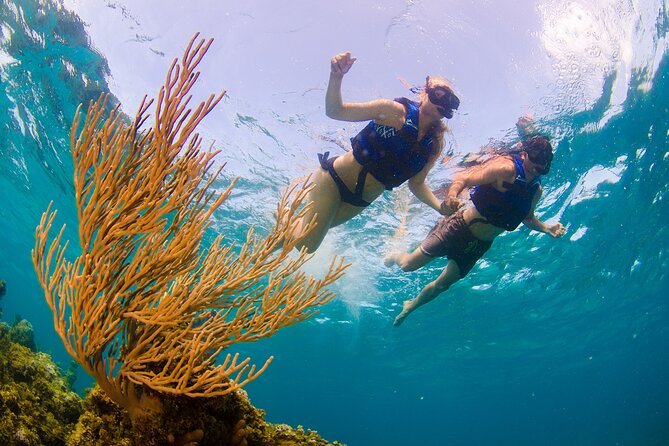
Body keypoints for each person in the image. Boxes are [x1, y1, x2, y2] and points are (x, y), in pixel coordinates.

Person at [385, 134, 567, 326]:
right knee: (408, 265)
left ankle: (411, 306)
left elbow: (528, 218)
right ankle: (394, 255)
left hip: (479, 246)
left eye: (542, 166)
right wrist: (453, 195)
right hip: (458, 228)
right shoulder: (504, 169)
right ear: (524, 155)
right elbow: (464, 177)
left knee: (443, 285)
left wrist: (546, 227)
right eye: (534, 162)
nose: (537, 169)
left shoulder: (535, 190)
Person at [289, 51, 460, 253]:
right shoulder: (393, 111)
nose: (443, 102)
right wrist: (337, 76)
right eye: (439, 94)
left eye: (450, 100)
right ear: (424, 93)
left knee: (297, 236)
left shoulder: (434, 145)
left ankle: (281, 225)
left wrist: (440, 208)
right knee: (306, 244)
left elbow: (417, 183)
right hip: (334, 180)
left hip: (358, 202)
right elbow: (335, 111)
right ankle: (284, 215)